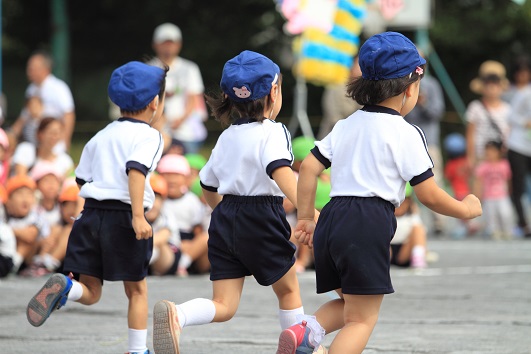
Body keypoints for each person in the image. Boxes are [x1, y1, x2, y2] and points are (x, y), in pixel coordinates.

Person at [277, 32, 482, 354]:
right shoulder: (406, 132)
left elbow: (307, 169)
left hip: (332, 219)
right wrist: (466, 208)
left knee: (349, 302)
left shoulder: (345, 125)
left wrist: (305, 216)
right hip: (367, 222)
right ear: (410, 89)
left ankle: (307, 330)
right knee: (362, 319)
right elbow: (428, 194)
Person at [152, 50, 316, 354]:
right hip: (262, 215)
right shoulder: (273, 131)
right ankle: (301, 348)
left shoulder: (227, 136)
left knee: (224, 304)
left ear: (229, 97)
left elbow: (206, 182)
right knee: (289, 290)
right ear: (274, 92)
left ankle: (181, 314)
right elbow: (280, 172)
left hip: (225, 216)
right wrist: (308, 211)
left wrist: (222, 213)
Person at [26, 60, 167, 354]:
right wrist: (139, 216)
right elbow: (136, 170)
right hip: (125, 217)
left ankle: (67, 288)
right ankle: (138, 350)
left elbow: (81, 178)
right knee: (137, 290)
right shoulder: (150, 135)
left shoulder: (100, 135)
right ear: (155, 102)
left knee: (90, 292)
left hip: (90, 215)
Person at [405, 54, 446, 234]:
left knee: (434, 181)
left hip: (429, 142)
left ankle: (439, 222)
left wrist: (424, 104)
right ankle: (412, 219)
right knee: (406, 183)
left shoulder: (431, 84)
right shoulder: (402, 82)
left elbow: (438, 112)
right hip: (405, 140)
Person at [151, 22, 208, 154]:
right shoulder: (148, 68)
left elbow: (193, 98)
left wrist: (181, 120)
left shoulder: (189, 68)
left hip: (187, 131)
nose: (168, 47)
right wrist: (158, 120)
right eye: (164, 43)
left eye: (172, 43)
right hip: (156, 130)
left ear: (179, 44)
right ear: (155, 44)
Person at [15, 51, 76, 152]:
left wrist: (65, 142)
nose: (28, 72)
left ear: (45, 69)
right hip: (31, 144)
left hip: (52, 145)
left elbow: (69, 115)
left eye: (32, 68)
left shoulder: (59, 88)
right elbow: (24, 117)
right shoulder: (30, 89)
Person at [503, 57, 531, 238]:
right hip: (517, 144)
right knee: (518, 187)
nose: (523, 75)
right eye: (519, 71)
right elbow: (509, 116)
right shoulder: (511, 92)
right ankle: (523, 223)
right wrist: (525, 122)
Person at [466, 60, 511, 169]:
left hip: (500, 159)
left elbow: (509, 133)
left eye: (495, 85)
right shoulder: (475, 107)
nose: (492, 89)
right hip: (480, 157)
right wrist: (470, 157)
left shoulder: (508, 109)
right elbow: (470, 134)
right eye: (488, 85)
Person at [474, 141, 514, 240]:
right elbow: (478, 181)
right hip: (489, 195)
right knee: (491, 215)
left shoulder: (504, 164)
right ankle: (493, 231)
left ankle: (507, 230)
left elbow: (508, 179)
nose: (490, 154)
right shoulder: (483, 166)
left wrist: (510, 190)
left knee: (505, 213)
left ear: (499, 152)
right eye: (487, 152)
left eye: (492, 151)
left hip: (502, 194)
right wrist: (477, 194)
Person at [317, 56, 362, 139]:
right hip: (333, 137)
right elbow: (332, 116)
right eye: (359, 64)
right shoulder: (336, 86)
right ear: (351, 66)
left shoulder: (368, 89)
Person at [391, 183, 428, 269]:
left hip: (404, 251)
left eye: (403, 202)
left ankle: (418, 257)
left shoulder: (411, 216)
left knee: (418, 229)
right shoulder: (385, 214)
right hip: (386, 250)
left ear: (408, 203)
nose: (399, 206)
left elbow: (420, 235)